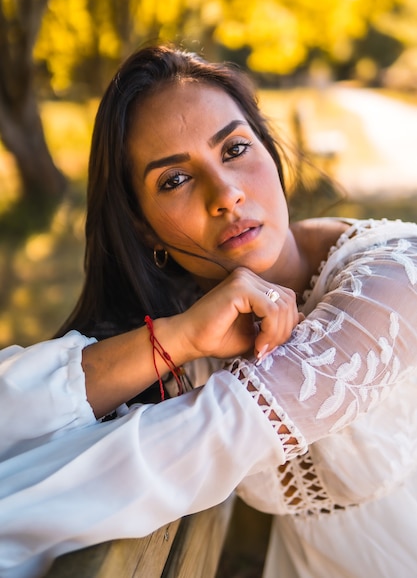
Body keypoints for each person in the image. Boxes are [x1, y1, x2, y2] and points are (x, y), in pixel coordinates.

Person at [1, 44, 417, 578]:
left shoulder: (394, 280)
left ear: (269, 149)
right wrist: (179, 338)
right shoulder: (186, 319)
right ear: (145, 228)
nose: (226, 194)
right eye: (174, 180)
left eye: (236, 149)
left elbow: (185, 447)